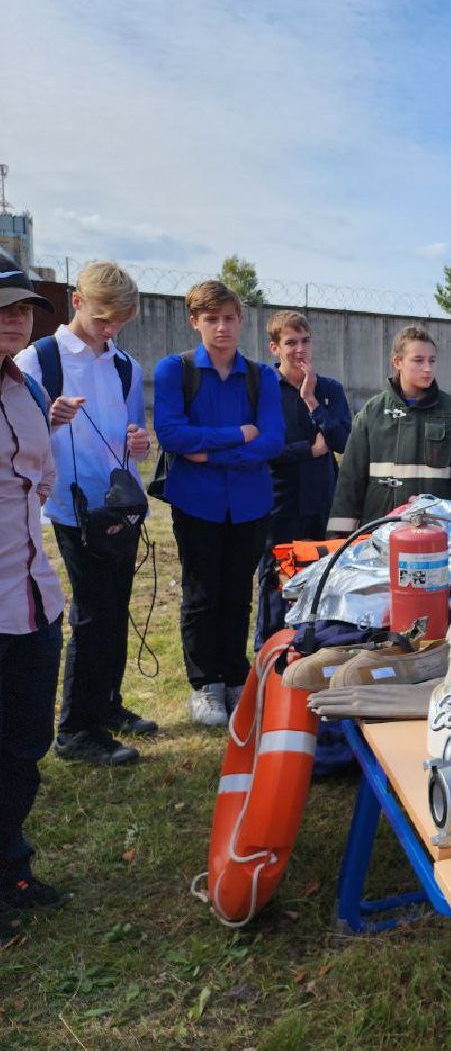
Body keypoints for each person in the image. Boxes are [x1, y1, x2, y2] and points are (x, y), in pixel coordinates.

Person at [16, 261, 154, 766]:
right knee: (93, 614)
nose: (110, 329)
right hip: (74, 510)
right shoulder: (40, 360)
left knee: (115, 610)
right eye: (102, 319)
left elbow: (131, 435)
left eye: (119, 321)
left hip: (120, 504)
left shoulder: (124, 366)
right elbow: (20, 439)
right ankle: (77, 731)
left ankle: (107, 704)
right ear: (77, 302)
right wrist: (48, 419)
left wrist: (138, 444)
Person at [154, 281, 283, 727]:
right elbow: (171, 434)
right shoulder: (177, 370)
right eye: (211, 319)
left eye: (229, 318)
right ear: (195, 322)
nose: (222, 327)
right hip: (197, 502)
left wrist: (209, 452)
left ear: (241, 320)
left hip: (249, 501)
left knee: (237, 592)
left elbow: (271, 440)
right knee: (201, 592)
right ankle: (205, 682)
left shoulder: (262, 375)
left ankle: (233, 676)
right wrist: (236, 435)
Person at [0, 252, 69, 927]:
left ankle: (11, 869)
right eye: (4, 307)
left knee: (23, 744)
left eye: (23, 308)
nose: (16, 319)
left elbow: (39, 477)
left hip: (31, 596)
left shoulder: (21, 387)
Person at [327, 325, 451, 541]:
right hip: (377, 534)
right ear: (397, 362)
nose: (428, 368)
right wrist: (340, 537)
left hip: (436, 537)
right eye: (418, 360)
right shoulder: (372, 413)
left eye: (432, 360)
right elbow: (350, 480)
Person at [255, 310, 350, 647]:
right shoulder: (264, 388)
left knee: (321, 574)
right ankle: (271, 646)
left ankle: (313, 643)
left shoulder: (329, 389)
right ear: (274, 348)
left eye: (305, 341)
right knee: (277, 576)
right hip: (279, 499)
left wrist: (311, 400)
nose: (299, 350)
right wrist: (307, 451)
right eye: (290, 342)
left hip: (322, 496)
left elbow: (342, 442)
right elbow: (265, 447)